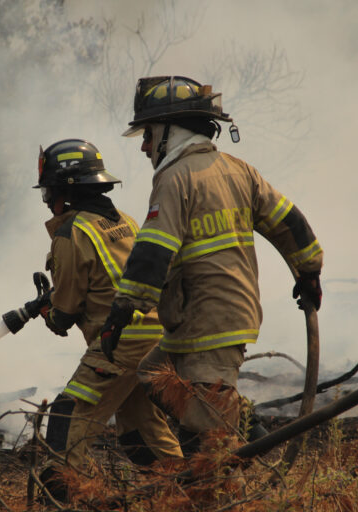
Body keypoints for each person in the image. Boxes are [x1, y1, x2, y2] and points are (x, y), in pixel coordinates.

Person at [99, 76, 323, 456]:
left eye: (149, 134)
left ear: (172, 131)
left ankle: (216, 487)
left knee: (204, 434)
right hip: (198, 318)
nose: (144, 146)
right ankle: (240, 429)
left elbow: (153, 249)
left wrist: (121, 310)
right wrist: (309, 269)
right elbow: (290, 222)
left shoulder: (174, 178)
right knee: (154, 375)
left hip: (210, 321)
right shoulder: (239, 170)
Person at [32, 139, 182, 502]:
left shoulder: (72, 233)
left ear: (64, 192)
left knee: (68, 414)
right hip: (156, 336)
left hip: (119, 343)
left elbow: (64, 315)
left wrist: (44, 308)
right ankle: (195, 490)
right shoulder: (126, 221)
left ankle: (67, 500)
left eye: (48, 189)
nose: (47, 197)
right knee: (142, 431)